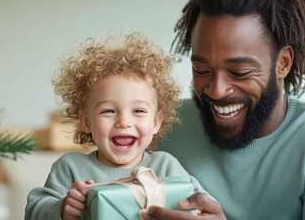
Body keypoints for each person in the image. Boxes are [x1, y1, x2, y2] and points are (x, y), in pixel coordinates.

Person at [141, 0, 305, 219]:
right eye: (202, 71)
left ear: (283, 63)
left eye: (240, 73)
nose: (217, 91)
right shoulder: (159, 126)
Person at [24, 32, 209, 220]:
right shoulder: (71, 167)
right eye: (108, 111)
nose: (124, 122)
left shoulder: (165, 167)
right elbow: (34, 210)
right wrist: (62, 207)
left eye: (138, 111)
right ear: (86, 121)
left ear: (155, 122)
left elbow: (205, 204)